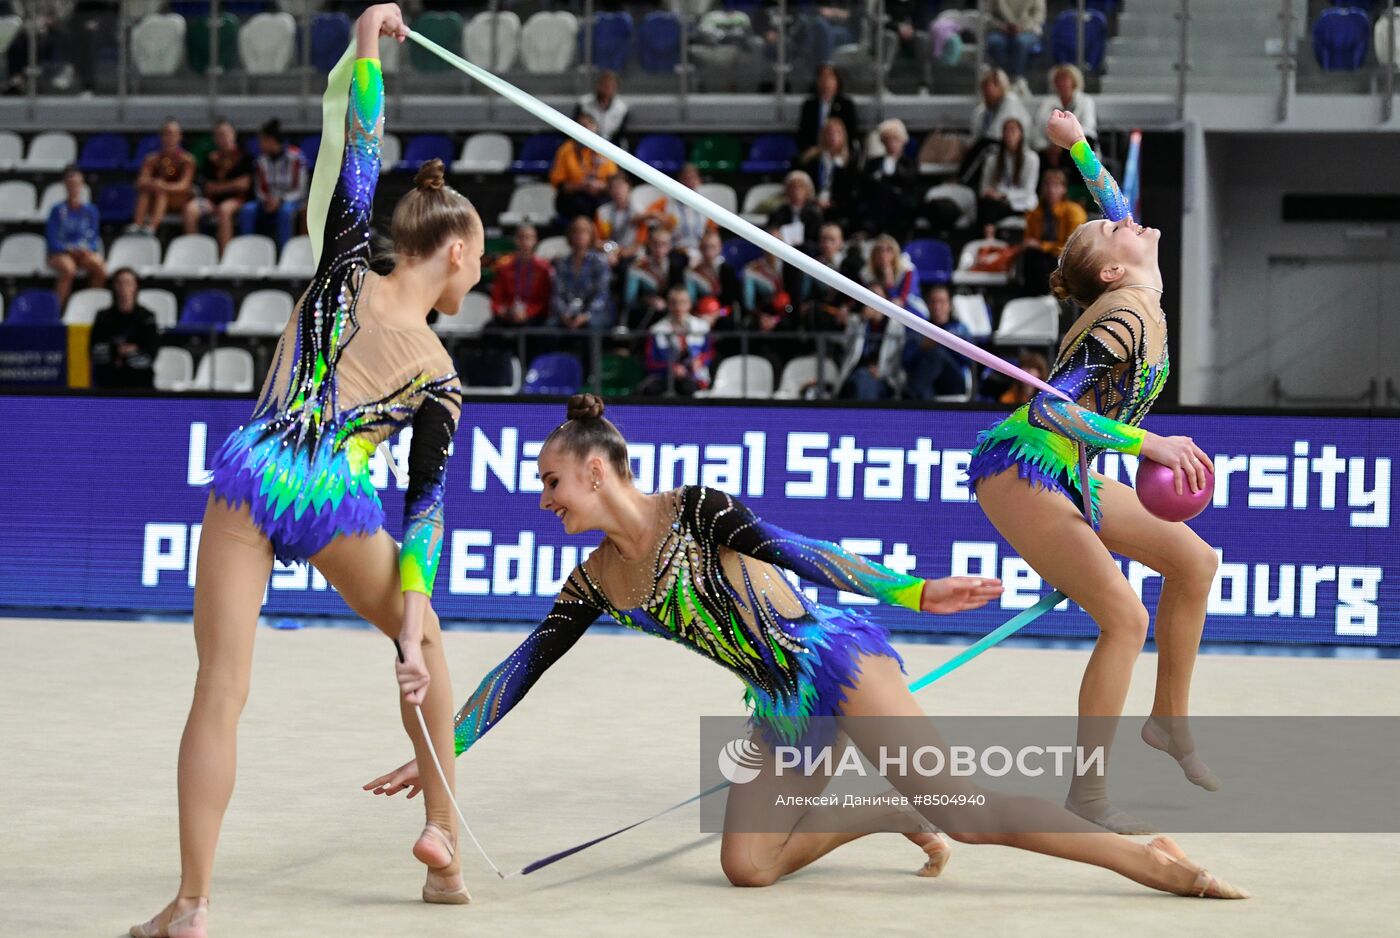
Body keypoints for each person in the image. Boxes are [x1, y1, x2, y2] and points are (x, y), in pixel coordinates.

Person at [366, 393, 1246, 901]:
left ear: (597, 471)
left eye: (552, 482)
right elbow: (519, 671)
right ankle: (881, 812)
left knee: (972, 811)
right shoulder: (592, 582)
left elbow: (800, 550)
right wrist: (442, 753)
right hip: (782, 703)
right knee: (747, 867)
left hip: (833, 659)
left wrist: (910, 590)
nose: (546, 500)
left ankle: (1153, 864)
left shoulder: (695, 509)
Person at [129, 9, 485, 935]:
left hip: (257, 474)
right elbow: (426, 508)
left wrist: (368, 38)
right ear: (452, 251)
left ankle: (192, 905)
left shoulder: (342, 259)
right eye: (477, 261)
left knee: (220, 688)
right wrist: (410, 627)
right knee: (433, 642)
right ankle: (442, 847)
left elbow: (360, 139)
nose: (476, 277)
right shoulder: (441, 375)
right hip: (331, 499)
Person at [966, 109, 1220, 836]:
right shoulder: (1122, 318)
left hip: (1071, 468)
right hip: (1027, 465)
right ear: (1112, 269)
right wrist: (1148, 446)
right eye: (1114, 230)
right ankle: (1088, 794)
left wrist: (1076, 144)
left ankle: (1168, 721)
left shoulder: (1135, 283)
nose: (1125, 218)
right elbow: (1050, 413)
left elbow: (1113, 204)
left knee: (1194, 562)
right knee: (1125, 617)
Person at [840, 234, 922, 400]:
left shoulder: (907, 272)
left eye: (888, 251)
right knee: (858, 380)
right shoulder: (867, 277)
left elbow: (901, 305)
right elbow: (848, 348)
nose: (883, 255)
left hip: (907, 320)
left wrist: (889, 283)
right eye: (879, 251)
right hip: (861, 370)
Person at [182, 120, 254, 249]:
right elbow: (208, 187)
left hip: (237, 201)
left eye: (226, 134)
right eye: (219, 135)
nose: (223, 138)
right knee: (190, 209)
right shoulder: (211, 159)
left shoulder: (245, 158)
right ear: (215, 139)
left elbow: (244, 186)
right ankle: (194, 252)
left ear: (234, 135)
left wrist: (219, 187)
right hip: (211, 202)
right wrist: (232, 185)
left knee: (224, 209)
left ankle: (224, 255)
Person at [45, 165, 106, 307]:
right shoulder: (57, 210)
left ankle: (91, 306)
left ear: (82, 185)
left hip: (83, 252)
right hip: (60, 252)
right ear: (65, 185)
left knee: (101, 269)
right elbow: (52, 239)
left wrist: (85, 249)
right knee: (69, 269)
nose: (73, 187)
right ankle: (57, 310)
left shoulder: (91, 211)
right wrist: (68, 249)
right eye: (70, 183)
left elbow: (93, 238)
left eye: (76, 183)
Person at [89, 267, 159, 390]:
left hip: (140, 386)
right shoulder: (103, 317)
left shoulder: (147, 317)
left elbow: (149, 357)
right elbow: (94, 353)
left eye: (128, 283)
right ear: (114, 287)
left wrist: (116, 355)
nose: (124, 288)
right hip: (107, 385)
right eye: (120, 283)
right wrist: (119, 350)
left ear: (136, 287)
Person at [1020, 168, 1087, 295]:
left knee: (1038, 260)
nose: (1051, 189)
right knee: (1031, 256)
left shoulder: (1074, 211)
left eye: (1056, 185)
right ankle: (1031, 297)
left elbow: (1071, 246)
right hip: (1041, 257)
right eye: (1047, 185)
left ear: (1064, 189)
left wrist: (1042, 246)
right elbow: (1029, 239)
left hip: (1064, 258)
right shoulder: (1035, 213)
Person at [244, 118, 309, 247]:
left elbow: (300, 189)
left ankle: (284, 252)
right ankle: (247, 248)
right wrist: (267, 200)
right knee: (247, 210)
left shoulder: (296, 157)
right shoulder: (260, 160)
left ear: (271, 140)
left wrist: (280, 200)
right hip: (267, 201)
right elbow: (259, 188)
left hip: (291, 200)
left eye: (262, 140)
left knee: (285, 212)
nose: (259, 144)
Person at [640, 286, 713, 396]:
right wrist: (671, 368)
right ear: (668, 305)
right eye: (674, 303)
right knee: (650, 390)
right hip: (664, 377)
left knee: (688, 389)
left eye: (683, 302)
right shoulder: (656, 330)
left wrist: (700, 361)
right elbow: (650, 362)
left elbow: (709, 353)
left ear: (690, 304)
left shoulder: (701, 327)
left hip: (693, 378)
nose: (678, 307)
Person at [904, 285, 971, 400]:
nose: (937, 307)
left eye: (942, 302)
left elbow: (968, 360)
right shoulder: (920, 329)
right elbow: (905, 362)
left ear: (949, 305)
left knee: (937, 353)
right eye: (933, 302)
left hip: (953, 382)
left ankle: (909, 394)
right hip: (928, 382)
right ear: (928, 305)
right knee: (925, 390)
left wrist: (944, 342)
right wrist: (922, 347)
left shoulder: (960, 328)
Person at [130, 119, 195, 236]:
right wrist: (155, 183)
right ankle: (137, 225)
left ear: (180, 137)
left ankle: (151, 228)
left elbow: (184, 185)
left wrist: (163, 186)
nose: (170, 138)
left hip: (178, 200)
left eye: (174, 134)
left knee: (162, 192)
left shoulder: (187, 160)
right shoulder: (151, 159)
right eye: (167, 134)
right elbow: (140, 182)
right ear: (161, 137)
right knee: (145, 193)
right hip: (156, 198)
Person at [965, 67, 1030, 185]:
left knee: (983, 146)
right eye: (984, 88)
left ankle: (964, 179)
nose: (986, 92)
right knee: (978, 146)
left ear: (1000, 86)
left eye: (990, 87)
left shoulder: (1010, 102)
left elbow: (995, 133)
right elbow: (977, 132)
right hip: (994, 144)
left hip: (1013, 144)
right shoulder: (984, 110)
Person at [549, 113, 618, 223]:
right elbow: (560, 184)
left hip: (600, 194)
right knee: (581, 204)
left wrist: (600, 186)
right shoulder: (565, 150)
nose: (586, 129)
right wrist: (582, 186)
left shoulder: (604, 148)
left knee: (609, 204)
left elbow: (613, 180)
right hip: (575, 195)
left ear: (595, 128)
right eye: (581, 125)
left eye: (589, 125)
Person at [859, 119, 919, 243]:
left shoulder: (909, 164)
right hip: (876, 209)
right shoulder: (874, 163)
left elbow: (909, 183)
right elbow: (865, 186)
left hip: (900, 211)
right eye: (887, 139)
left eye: (895, 139)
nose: (891, 143)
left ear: (903, 141)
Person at [550, 216, 614, 332]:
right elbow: (557, 294)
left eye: (584, 231)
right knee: (551, 326)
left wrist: (585, 316)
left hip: (594, 312)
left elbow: (602, 295)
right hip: (569, 312)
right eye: (576, 231)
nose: (580, 235)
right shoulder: (562, 263)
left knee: (592, 325)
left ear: (591, 235)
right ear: (570, 235)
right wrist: (565, 315)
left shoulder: (600, 262)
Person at [799, 222, 864, 333]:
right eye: (824, 239)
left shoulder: (850, 264)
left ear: (841, 242)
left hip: (847, 314)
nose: (827, 244)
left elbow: (858, 292)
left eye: (832, 240)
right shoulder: (812, 265)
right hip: (821, 313)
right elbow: (806, 296)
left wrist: (847, 307)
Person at [623, 223, 687, 330]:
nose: (659, 248)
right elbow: (629, 299)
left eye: (664, 244)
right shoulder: (639, 266)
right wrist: (647, 300)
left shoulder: (676, 265)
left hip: (671, 310)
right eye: (655, 244)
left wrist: (669, 303)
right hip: (644, 313)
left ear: (670, 245)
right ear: (649, 244)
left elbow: (681, 291)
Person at [797, 117, 857, 232]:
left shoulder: (850, 162)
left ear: (843, 136)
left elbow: (851, 192)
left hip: (839, 208)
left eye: (836, 133)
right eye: (829, 133)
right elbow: (804, 183)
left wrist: (833, 203)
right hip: (813, 204)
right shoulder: (811, 160)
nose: (833, 137)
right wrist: (814, 199)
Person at [489, 222, 554, 328]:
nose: (525, 241)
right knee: (490, 328)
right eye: (521, 237)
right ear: (515, 240)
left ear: (535, 241)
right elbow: (496, 300)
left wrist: (527, 313)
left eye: (529, 237)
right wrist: (503, 311)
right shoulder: (505, 268)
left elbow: (544, 301)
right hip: (509, 314)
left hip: (534, 316)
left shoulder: (543, 269)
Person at [978, 118, 1039, 227]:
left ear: (1021, 134)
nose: (1009, 135)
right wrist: (992, 194)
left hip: (1023, 204)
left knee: (992, 208)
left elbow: (1028, 191)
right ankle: (988, 237)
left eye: (1013, 130)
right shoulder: (993, 159)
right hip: (998, 203)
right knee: (986, 205)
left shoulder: (1031, 158)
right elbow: (984, 188)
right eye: (1006, 131)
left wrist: (1003, 195)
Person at [643, 163, 717, 252]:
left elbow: (712, 231)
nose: (689, 182)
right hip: (675, 251)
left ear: (699, 180)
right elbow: (646, 215)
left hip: (700, 251)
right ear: (679, 181)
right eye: (686, 178)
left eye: (693, 178)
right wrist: (658, 216)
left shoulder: (706, 204)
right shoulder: (666, 202)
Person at [797, 63, 861, 157]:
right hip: (814, 151)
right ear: (817, 81)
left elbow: (851, 132)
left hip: (840, 151)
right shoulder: (809, 105)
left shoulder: (846, 105)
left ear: (837, 81)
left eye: (830, 78)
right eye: (822, 78)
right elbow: (803, 133)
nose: (826, 82)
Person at [1032, 64, 1098, 155]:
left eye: (1065, 79)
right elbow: (1038, 130)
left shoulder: (1086, 101)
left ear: (1074, 81)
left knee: (1086, 141)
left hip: (1076, 148)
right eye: (1058, 79)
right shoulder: (1046, 103)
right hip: (1050, 149)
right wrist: (1050, 146)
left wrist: (1063, 143)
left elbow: (1088, 128)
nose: (1061, 82)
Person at [985, 0, 1046, 85]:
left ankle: (1015, 78)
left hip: (1028, 31)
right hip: (1001, 31)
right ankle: (1004, 79)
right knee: (995, 42)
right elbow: (988, 16)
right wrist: (1002, 26)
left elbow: (1039, 18)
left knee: (1020, 42)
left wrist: (1022, 28)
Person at [765, 170, 824, 255]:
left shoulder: (814, 214)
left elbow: (816, 241)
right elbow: (771, 229)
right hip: (782, 253)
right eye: (792, 187)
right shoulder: (778, 212)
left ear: (808, 191)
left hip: (806, 255)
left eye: (800, 188)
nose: (796, 191)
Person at [685, 229, 742, 314]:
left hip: (723, 313)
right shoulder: (693, 272)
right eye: (705, 247)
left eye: (713, 247)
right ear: (700, 248)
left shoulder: (727, 271)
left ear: (720, 247)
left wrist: (717, 315)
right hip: (700, 314)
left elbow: (730, 305)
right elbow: (691, 302)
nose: (708, 252)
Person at [595, 173, 644, 268]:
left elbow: (640, 242)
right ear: (609, 191)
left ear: (629, 188)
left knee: (627, 266)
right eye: (614, 187)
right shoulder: (602, 211)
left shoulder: (639, 211)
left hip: (631, 253)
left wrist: (621, 254)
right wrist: (610, 251)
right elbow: (598, 240)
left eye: (621, 186)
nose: (618, 190)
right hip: (609, 252)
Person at [578, 69, 628, 144]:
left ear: (616, 88)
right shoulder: (584, 104)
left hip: (611, 144)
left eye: (611, 86)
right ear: (598, 85)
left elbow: (619, 134)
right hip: (586, 142)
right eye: (604, 85)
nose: (607, 89)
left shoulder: (621, 108)